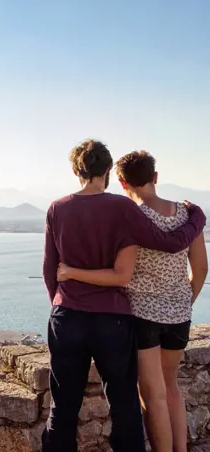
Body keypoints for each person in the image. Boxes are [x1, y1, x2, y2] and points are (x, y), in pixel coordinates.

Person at [41, 140, 206, 452]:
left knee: (62, 407)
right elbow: (168, 243)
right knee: (124, 404)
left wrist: (60, 306)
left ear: (76, 171)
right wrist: (197, 218)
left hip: (68, 317)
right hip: (113, 320)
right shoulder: (121, 207)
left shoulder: (56, 208)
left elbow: (49, 269)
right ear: (106, 170)